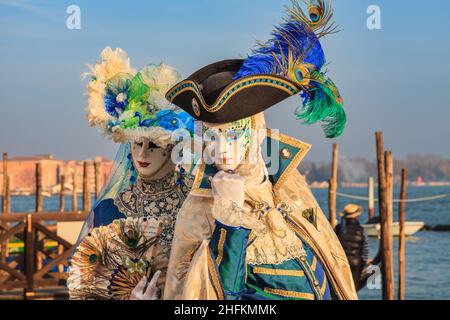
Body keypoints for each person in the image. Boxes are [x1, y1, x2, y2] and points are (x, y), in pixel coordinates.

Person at [163, 0, 357, 300]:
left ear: (254, 130)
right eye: (211, 138)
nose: (220, 149)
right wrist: (230, 218)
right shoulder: (200, 209)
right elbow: (213, 298)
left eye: (232, 134)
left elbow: (331, 267)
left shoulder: (288, 188)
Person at [67, 47, 195, 299]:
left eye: (154, 144)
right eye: (136, 143)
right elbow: (89, 289)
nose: (142, 154)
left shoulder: (197, 204)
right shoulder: (109, 212)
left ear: (173, 147)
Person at [335, 204, 369, 290]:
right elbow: (365, 250)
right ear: (357, 215)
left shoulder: (338, 228)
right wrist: (364, 264)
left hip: (342, 263)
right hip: (356, 264)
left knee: (342, 289)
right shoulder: (361, 230)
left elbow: (334, 246)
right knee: (353, 288)